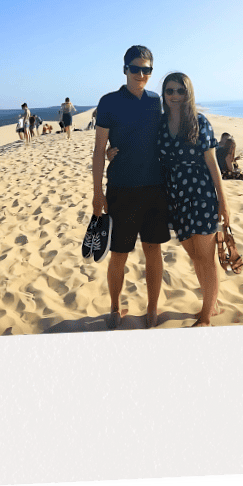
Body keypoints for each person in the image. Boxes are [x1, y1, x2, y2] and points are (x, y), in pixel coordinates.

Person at [92, 45, 168, 329]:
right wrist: (97, 193)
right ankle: (114, 306)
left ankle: (152, 309)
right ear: (125, 69)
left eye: (146, 70)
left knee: (153, 251)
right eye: (135, 68)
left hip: (154, 188)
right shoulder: (109, 102)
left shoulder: (155, 101)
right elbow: (99, 150)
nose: (140, 74)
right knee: (119, 254)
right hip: (121, 189)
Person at [158, 72, 228, 327]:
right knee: (194, 254)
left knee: (206, 257)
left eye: (180, 91)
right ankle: (214, 301)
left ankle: (206, 315)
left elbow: (213, 163)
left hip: (201, 194)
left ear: (188, 94)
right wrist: (112, 152)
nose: (175, 96)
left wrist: (223, 201)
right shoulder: (160, 123)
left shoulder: (199, 121)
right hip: (175, 196)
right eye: (170, 91)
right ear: (164, 94)